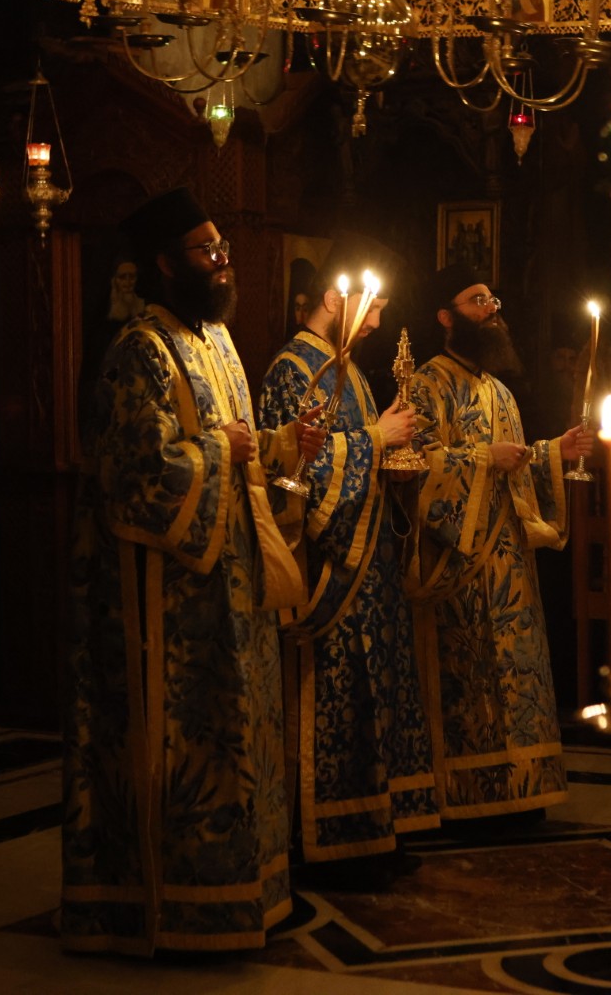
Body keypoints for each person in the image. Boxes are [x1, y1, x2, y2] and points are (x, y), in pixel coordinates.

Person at [61, 187, 325, 955]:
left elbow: (241, 450)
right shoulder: (138, 351)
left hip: (229, 589)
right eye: (206, 251)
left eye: (223, 249)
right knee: (186, 746)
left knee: (240, 740)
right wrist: (221, 450)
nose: (221, 262)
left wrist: (283, 444)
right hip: (165, 605)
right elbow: (132, 475)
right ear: (165, 264)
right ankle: (174, 907)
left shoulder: (218, 342)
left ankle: (244, 896)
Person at [257, 269, 439, 887]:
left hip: (371, 566)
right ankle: (327, 840)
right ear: (335, 298)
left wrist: (396, 462)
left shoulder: (350, 370)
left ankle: (372, 829)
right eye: (370, 307)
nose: (376, 323)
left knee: (373, 697)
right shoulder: (292, 370)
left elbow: (361, 455)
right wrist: (375, 439)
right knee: (334, 699)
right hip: (330, 572)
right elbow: (296, 471)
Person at [403, 266, 593, 826]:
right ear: (446, 316)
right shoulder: (426, 384)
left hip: (511, 564)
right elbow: (415, 466)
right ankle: (473, 799)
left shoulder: (500, 391)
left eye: (493, 300)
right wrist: (485, 459)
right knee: (474, 680)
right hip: (462, 562)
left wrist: (554, 452)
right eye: (476, 300)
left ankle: (525, 788)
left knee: (517, 674)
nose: (491, 309)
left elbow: (517, 465)